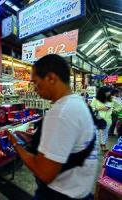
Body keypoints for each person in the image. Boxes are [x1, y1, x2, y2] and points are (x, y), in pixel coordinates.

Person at [6, 54, 97, 200]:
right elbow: (66, 144)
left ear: (50, 78)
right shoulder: (78, 103)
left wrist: (15, 144)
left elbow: (44, 172)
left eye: (35, 82)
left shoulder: (60, 113)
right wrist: (32, 138)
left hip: (58, 195)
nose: (34, 88)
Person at [91, 86, 116, 151]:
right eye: (107, 91)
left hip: (107, 120)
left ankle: (103, 145)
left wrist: (114, 110)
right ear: (102, 92)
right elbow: (92, 109)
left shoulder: (111, 99)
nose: (109, 93)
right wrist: (101, 108)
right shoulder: (95, 100)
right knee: (95, 134)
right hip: (97, 120)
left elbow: (118, 106)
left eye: (109, 91)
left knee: (104, 134)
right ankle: (92, 146)